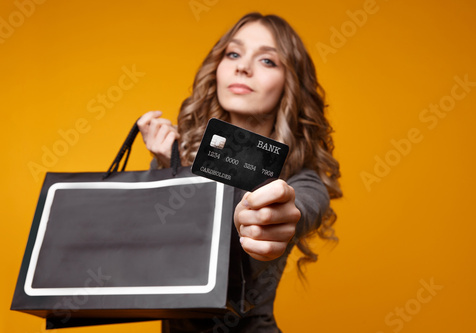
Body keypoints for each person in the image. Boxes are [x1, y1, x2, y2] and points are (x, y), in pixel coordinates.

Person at [137, 12, 342, 333]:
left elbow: (301, 207)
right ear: (216, 69)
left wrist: (278, 215)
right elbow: (150, 253)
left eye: (267, 61)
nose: (242, 67)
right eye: (233, 54)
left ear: (290, 83)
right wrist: (168, 170)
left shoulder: (303, 180)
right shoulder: (174, 158)